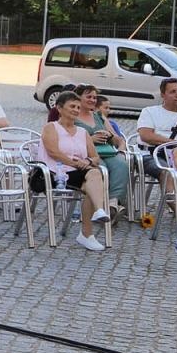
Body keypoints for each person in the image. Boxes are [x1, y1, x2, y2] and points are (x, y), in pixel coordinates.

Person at [39, 91, 113, 249]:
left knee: (95, 173)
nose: (76, 110)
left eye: (78, 107)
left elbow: (95, 157)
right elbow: (53, 152)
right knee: (90, 185)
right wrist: (77, 164)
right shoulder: (51, 128)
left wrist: (86, 161)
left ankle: (97, 214)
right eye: (72, 106)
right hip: (54, 173)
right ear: (59, 108)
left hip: (77, 173)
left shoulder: (82, 132)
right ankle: (87, 233)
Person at [75, 85, 129, 214]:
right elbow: (68, 140)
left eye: (94, 97)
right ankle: (100, 205)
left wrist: (109, 136)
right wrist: (90, 140)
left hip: (107, 151)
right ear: (78, 98)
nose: (93, 100)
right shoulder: (73, 116)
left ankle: (113, 203)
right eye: (89, 97)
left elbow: (118, 139)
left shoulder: (99, 115)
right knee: (101, 168)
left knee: (121, 165)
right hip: (87, 153)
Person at [136, 78, 177, 184]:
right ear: (163, 95)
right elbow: (146, 136)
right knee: (168, 172)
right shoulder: (149, 111)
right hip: (150, 154)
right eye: (173, 92)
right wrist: (174, 144)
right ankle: (172, 200)